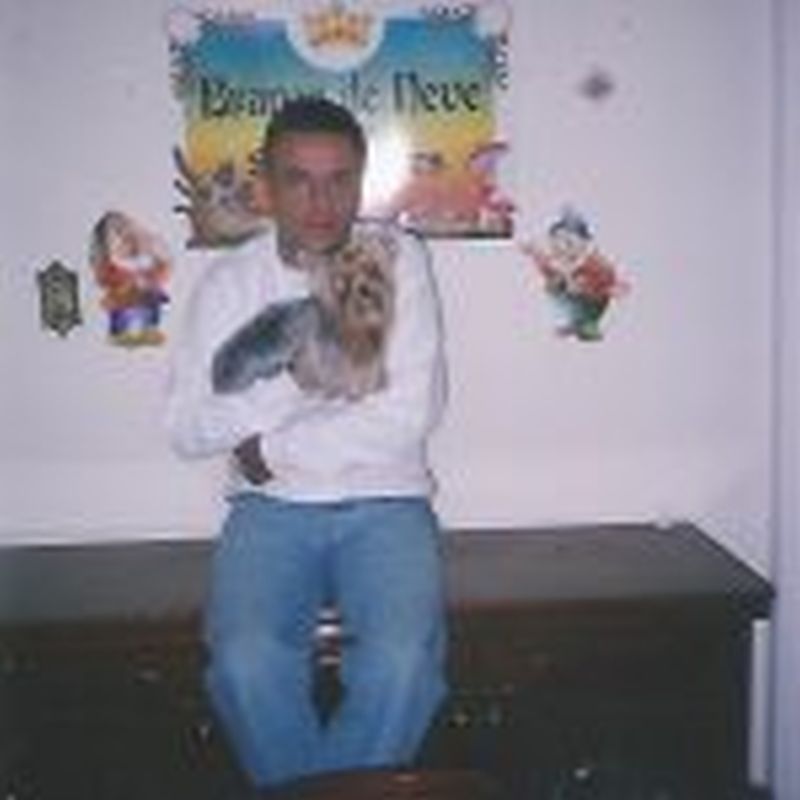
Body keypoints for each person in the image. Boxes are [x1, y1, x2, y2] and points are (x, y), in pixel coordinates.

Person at [164, 96, 448, 791]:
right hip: (270, 510)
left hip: (387, 499)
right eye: (299, 179)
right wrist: (295, 381)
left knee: (404, 664)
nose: (322, 203)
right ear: (266, 183)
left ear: (361, 179)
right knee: (244, 662)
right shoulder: (230, 283)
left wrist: (269, 450)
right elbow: (187, 429)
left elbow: (409, 414)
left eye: (339, 179)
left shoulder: (394, 259)